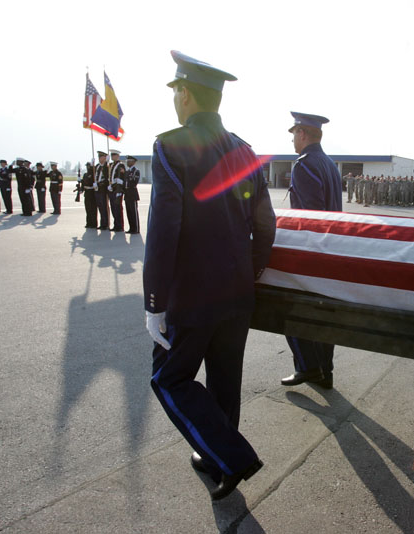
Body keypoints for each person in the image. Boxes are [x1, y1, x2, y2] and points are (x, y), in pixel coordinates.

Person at [143, 50, 276, 501]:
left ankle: (231, 458)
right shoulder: (245, 151)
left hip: (192, 297)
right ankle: (220, 462)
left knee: (168, 378)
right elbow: (266, 224)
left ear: (184, 95)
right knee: (224, 379)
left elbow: (163, 231)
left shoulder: (171, 146)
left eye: (175, 91)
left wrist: (154, 304)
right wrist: (251, 269)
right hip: (238, 292)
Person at [281, 111, 342, 389]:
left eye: (294, 133)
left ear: (303, 133)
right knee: (325, 314)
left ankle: (308, 367)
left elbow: (310, 218)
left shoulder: (304, 165)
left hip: (311, 251)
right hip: (331, 249)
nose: (293, 139)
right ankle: (325, 371)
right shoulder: (328, 163)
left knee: (289, 307)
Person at [108, 149, 126, 231]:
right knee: (113, 208)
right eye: (111, 155)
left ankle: (120, 225)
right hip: (112, 189)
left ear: (118, 156)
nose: (112, 157)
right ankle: (116, 225)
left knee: (118, 208)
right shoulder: (111, 165)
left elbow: (121, 178)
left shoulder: (120, 165)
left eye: (114, 155)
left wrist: (118, 189)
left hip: (117, 190)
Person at [124, 155, 140, 234]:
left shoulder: (135, 171)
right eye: (127, 161)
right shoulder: (127, 171)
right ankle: (131, 227)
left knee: (133, 212)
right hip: (127, 194)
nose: (127, 162)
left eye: (129, 161)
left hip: (132, 193)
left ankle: (136, 228)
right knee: (129, 212)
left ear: (133, 162)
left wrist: (126, 184)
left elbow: (134, 182)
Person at [94, 151, 110, 230]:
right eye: (99, 157)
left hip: (103, 188)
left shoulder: (107, 166)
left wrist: (106, 162)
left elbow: (106, 174)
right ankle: (102, 223)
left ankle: (106, 223)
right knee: (100, 207)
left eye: (101, 157)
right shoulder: (97, 166)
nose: (100, 158)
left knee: (104, 206)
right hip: (97, 188)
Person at [81, 162, 97, 228]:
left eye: (89, 166)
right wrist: (81, 189)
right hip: (87, 193)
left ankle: (93, 224)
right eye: (87, 166)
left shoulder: (94, 174)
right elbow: (83, 184)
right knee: (87, 209)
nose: (87, 167)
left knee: (93, 209)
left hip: (92, 193)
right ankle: (88, 223)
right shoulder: (85, 174)